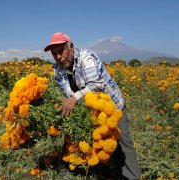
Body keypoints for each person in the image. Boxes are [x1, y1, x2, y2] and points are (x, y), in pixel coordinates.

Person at [44, 32, 141, 180]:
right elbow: (67, 94)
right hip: (89, 108)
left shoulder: (86, 57)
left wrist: (74, 98)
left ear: (71, 47)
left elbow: (96, 85)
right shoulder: (57, 69)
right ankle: (82, 171)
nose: (58, 57)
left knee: (122, 141)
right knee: (82, 138)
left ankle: (132, 177)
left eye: (60, 51)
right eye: (54, 53)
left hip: (112, 106)